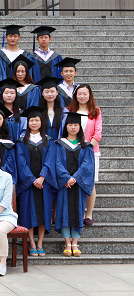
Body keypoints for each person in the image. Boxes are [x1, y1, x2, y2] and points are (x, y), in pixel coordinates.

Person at [46, 112, 95, 257]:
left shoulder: (86, 146)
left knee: (78, 211)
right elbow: (57, 163)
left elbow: (87, 165)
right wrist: (67, 178)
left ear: (80, 127)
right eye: (70, 124)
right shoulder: (59, 144)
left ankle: (75, 243)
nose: (73, 127)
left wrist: (75, 178)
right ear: (65, 126)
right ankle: (67, 243)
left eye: (76, 125)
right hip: (64, 184)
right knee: (64, 212)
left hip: (79, 184)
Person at [15, 106, 55, 256]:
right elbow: (21, 163)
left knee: (44, 212)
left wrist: (42, 177)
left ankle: (40, 243)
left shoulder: (49, 141)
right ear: (28, 122)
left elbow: (50, 160)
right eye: (31, 120)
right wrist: (32, 179)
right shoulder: (21, 141)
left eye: (37, 120)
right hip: (28, 184)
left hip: (44, 183)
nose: (34, 123)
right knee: (28, 213)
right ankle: (31, 243)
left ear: (41, 122)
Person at [67, 84, 102, 226]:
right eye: (79, 94)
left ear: (89, 95)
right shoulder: (70, 111)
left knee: (90, 182)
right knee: (75, 181)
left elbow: (98, 133)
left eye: (85, 94)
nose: (82, 96)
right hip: (72, 151)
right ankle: (78, 212)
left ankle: (89, 214)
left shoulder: (96, 111)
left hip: (91, 151)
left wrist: (88, 148)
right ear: (75, 95)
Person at [38, 76, 65, 141]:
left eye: (52, 91)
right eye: (46, 92)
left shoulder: (63, 111)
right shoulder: (38, 111)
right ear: (42, 93)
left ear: (57, 92)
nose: (49, 94)